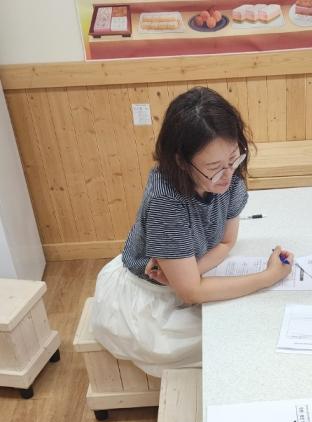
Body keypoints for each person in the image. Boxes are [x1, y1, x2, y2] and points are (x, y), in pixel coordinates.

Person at [91, 87, 293, 377]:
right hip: (148, 303)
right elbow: (191, 293)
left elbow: (226, 242)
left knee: (255, 320)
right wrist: (268, 277)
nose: (228, 174)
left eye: (234, 158)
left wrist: (190, 272)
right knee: (243, 337)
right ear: (181, 162)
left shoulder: (227, 175)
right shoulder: (166, 203)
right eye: (214, 167)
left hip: (182, 281)